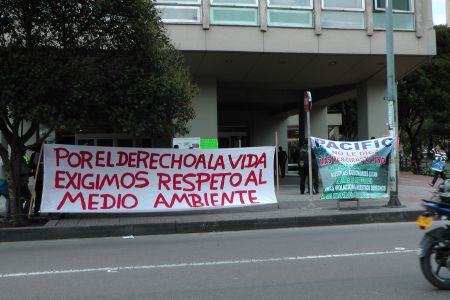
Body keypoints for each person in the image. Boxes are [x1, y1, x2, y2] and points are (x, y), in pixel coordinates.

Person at [28, 145, 44, 216]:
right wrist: (38, 165)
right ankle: (37, 210)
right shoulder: (34, 155)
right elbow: (30, 165)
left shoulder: (48, 153)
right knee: (39, 194)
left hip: (48, 178)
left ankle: (48, 210)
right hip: (39, 177)